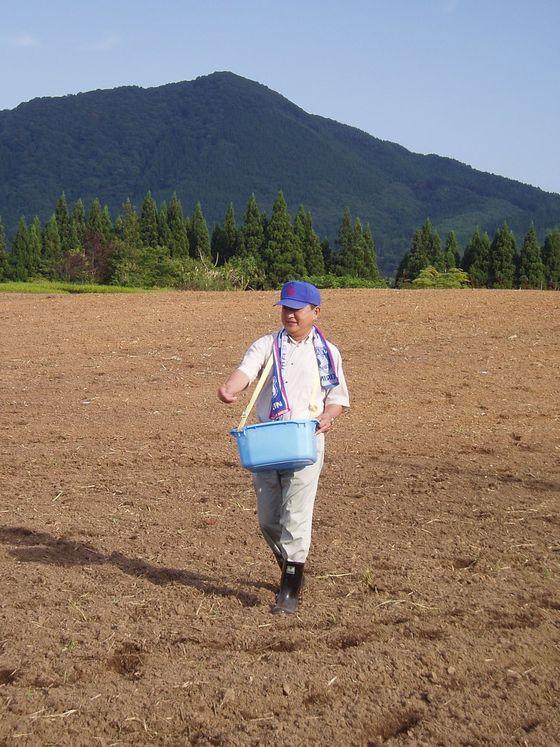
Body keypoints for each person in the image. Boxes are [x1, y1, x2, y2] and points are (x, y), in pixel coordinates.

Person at [217, 280, 349, 615]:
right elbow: (245, 372)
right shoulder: (266, 345)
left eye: (296, 309)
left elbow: (337, 400)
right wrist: (230, 388)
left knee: (297, 516)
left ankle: (289, 588)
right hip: (268, 441)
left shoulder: (328, 353)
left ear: (315, 312)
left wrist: (329, 417)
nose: (289, 315)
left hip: (306, 441)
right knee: (267, 521)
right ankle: (291, 564)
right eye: (285, 308)